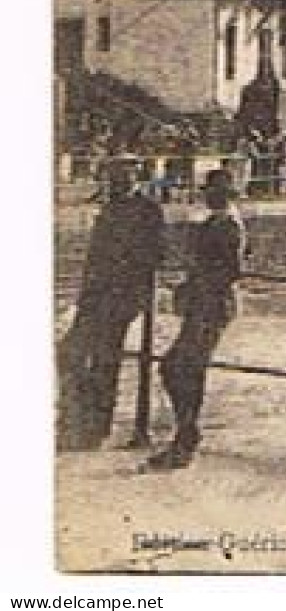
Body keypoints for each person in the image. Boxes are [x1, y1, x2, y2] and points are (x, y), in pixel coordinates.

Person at [57, 155, 166, 451]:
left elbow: (156, 255)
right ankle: (75, 416)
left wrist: (129, 285)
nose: (118, 182)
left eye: (124, 177)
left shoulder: (148, 210)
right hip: (96, 295)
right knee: (68, 350)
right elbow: (94, 258)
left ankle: (95, 427)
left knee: (105, 357)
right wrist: (85, 296)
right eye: (114, 177)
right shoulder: (108, 209)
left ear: (135, 178)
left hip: (123, 297)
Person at [146, 168, 246, 470]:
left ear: (224, 196)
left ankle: (187, 437)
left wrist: (194, 285)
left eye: (213, 193)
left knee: (179, 366)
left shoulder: (228, 224)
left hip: (213, 306)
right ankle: (186, 434)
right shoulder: (216, 222)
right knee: (182, 367)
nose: (208, 196)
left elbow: (231, 271)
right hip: (205, 304)